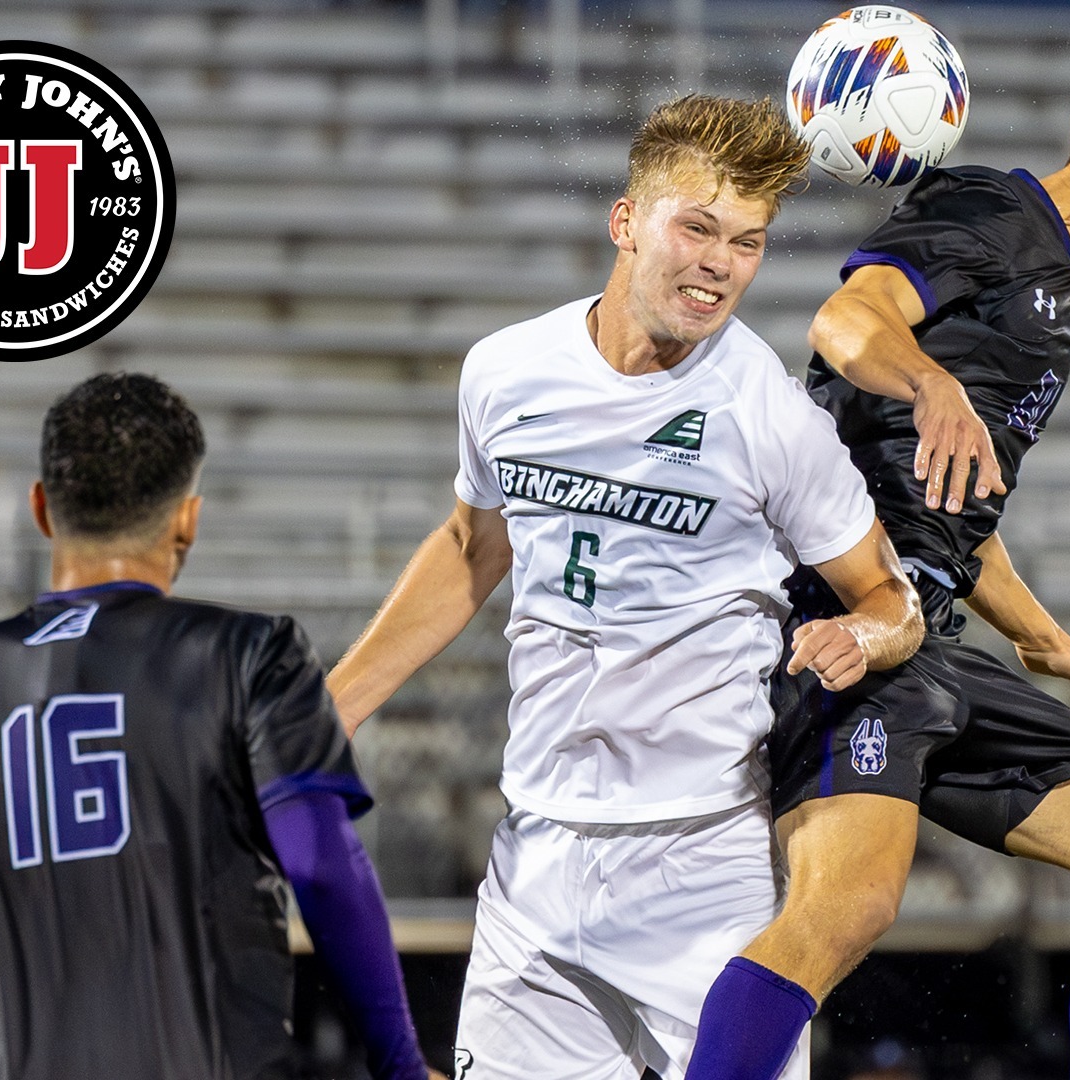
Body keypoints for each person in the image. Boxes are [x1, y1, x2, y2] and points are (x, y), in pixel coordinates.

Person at [689, 40, 1070, 1080]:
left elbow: (949, 498)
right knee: (846, 906)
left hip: (930, 640)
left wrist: (1038, 631)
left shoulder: (1054, 287)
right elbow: (849, 320)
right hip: (848, 622)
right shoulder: (991, 210)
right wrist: (931, 384)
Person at [327, 94, 925, 1080]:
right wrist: (333, 706)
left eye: (749, 241)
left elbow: (891, 597)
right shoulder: (505, 370)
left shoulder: (767, 413)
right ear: (626, 221)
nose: (720, 263)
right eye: (697, 227)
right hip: (537, 861)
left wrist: (864, 636)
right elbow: (473, 545)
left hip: (707, 869)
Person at [0, 373, 432, 1080]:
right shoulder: (251, 655)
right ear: (188, 518)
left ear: (41, 508)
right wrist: (400, 1064)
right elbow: (320, 866)